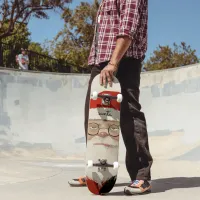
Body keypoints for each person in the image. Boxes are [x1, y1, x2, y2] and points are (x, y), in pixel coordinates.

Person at [68, 0, 153, 195]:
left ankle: (141, 176)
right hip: (101, 61)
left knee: (129, 116)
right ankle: (97, 173)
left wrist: (114, 63)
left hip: (123, 59)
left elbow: (128, 27)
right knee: (93, 119)